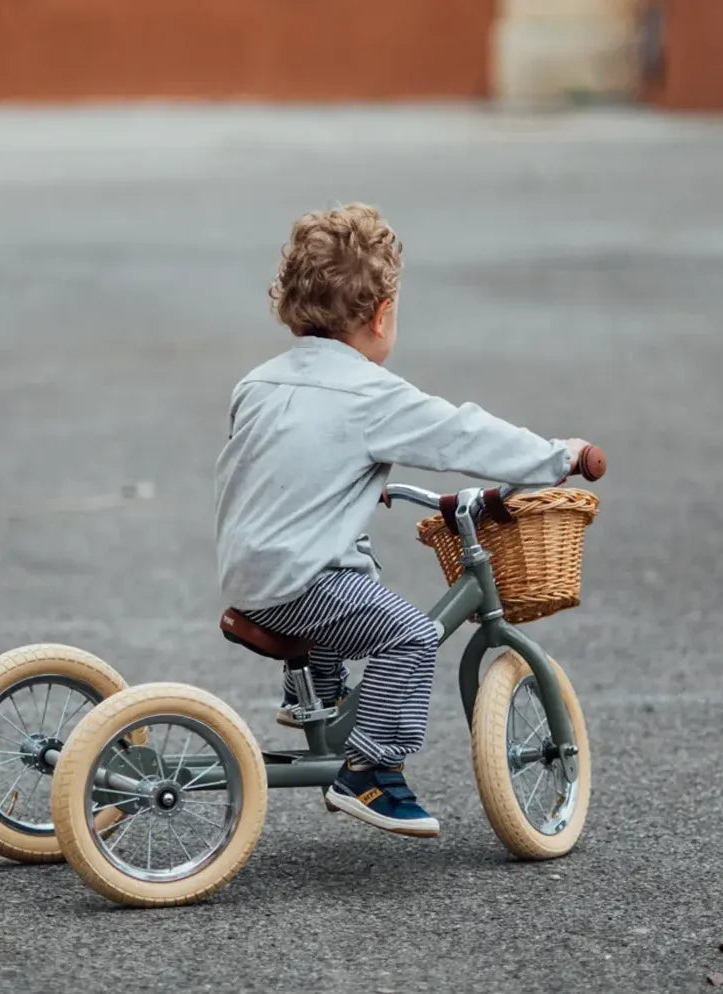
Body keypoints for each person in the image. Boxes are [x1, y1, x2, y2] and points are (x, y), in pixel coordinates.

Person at [214, 204, 589, 837]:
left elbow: (276, 460)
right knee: (410, 635)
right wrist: (560, 457)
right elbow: (464, 434)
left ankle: (317, 689)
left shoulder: (259, 382)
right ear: (382, 314)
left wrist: (341, 479)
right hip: (297, 583)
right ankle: (369, 772)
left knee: (354, 562)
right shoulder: (371, 394)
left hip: (247, 573)